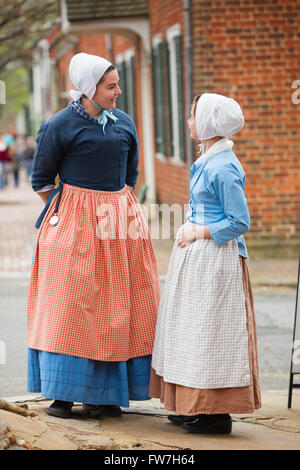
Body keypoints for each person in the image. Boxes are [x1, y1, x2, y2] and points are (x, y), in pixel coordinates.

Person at [27, 52, 160, 419]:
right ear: (89, 89)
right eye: (110, 86)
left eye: (117, 84)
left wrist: (117, 207)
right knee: (71, 305)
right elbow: (41, 179)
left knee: (117, 305)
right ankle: (63, 394)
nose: (118, 92)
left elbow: (130, 176)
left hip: (120, 226)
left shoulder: (124, 123)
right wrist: (69, 212)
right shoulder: (60, 125)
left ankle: (106, 394)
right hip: (74, 224)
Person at [150, 93, 261, 434]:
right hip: (199, 259)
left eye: (193, 115)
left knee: (212, 333)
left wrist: (198, 231)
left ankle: (216, 413)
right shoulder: (209, 159)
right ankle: (193, 404)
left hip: (217, 261)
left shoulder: (223, 166)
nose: (188, 122)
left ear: (210, 124)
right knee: (193, 332)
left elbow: (239, 221)